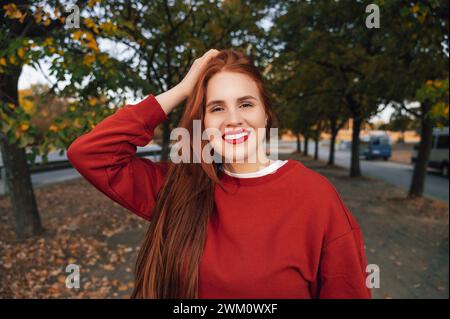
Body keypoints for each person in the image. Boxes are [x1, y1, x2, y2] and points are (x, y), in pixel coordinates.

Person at [67, 48, 371, 299]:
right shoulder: (180, 188)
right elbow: (91, 154)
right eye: (216, 108)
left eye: (246, 104)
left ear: (265, 113)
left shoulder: (315, 197)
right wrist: (184, 89)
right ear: (203, 121)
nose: (233, 120)